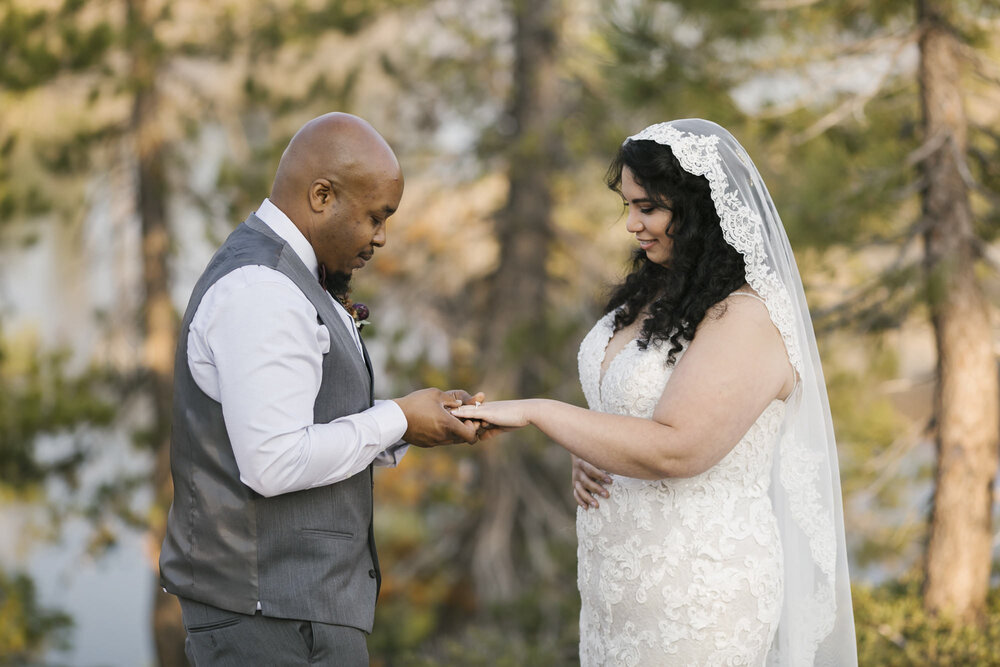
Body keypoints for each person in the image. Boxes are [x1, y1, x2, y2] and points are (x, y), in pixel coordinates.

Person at [454, 119, 857, 665]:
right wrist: (587, 445)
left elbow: (678, 447)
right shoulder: (654, 292)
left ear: (697, 210)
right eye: (628, 207)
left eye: (649, 208)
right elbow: (625, 408)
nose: (632, 226)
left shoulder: (745, 315)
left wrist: (542, 413)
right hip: (615, 588)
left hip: (699, 591)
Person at [159, 112, 483, 666]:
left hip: (287, 615)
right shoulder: (262, 288)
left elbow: (299, 427)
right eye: (375, 217)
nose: (381, 237)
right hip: (268, 625)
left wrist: (410, 423)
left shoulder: (291, 276)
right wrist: (398, 419)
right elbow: (274, 461)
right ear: (321, 196)